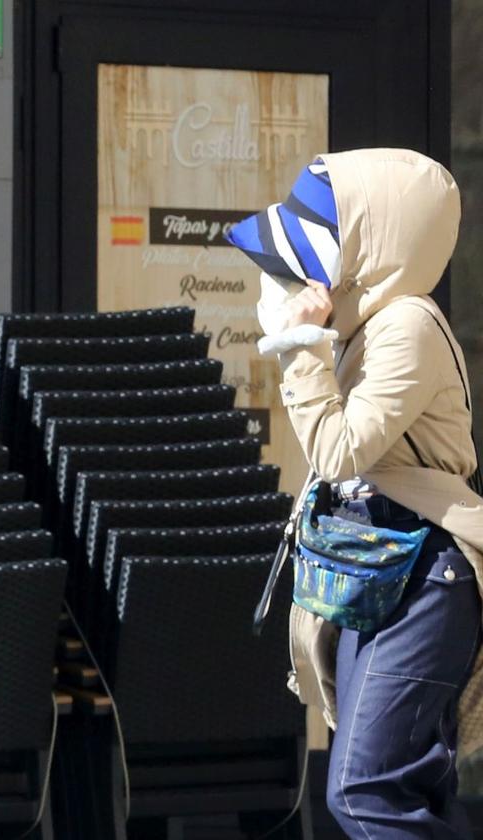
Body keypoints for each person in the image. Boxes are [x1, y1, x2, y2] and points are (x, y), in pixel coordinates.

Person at [231, 149, 483, 838]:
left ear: (369, 248)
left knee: (363, 792)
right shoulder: (369, 325)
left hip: (424, 572)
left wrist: (301, 348)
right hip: (386, 567)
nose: (289, 281)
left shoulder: (406, 326)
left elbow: (340, 451)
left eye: (308, 257)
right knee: (407, 789)